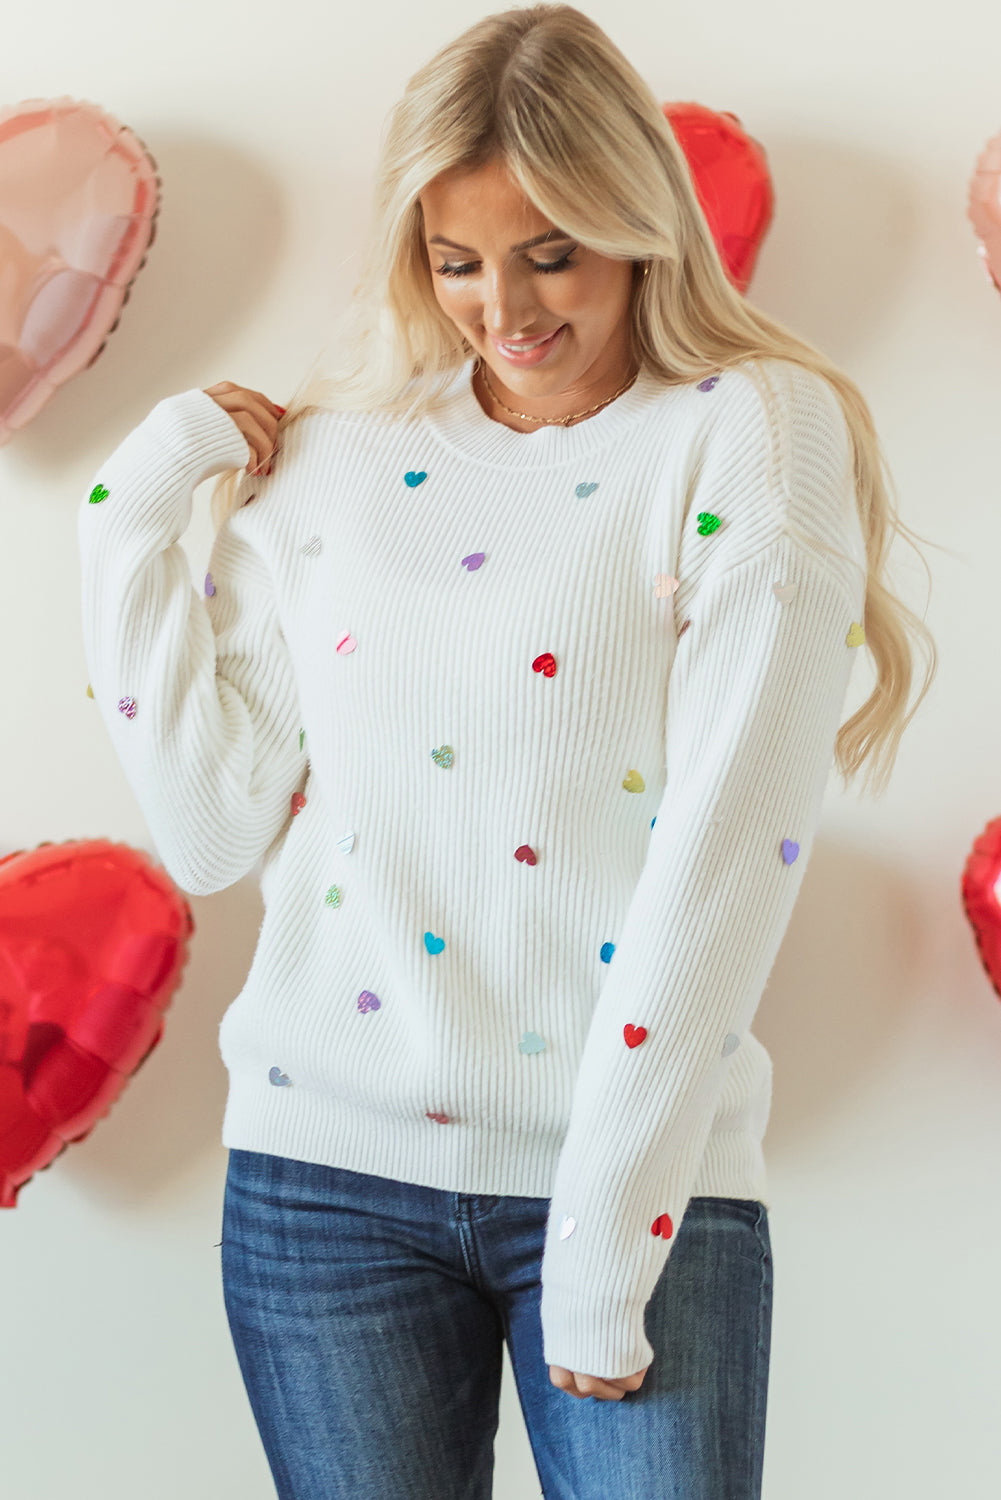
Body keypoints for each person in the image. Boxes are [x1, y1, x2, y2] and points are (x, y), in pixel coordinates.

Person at [76, 6, 935, 1497]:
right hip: (320, 1186)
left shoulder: (746, 431)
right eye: (455, 260)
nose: (504, 308)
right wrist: (135, 510)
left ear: (640, 228)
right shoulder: (344, 449)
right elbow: (213, 829)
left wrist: (602, 1244)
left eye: (551, 254)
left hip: (633, 1190)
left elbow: (728, 851)